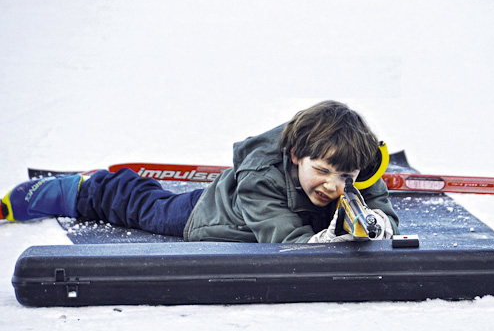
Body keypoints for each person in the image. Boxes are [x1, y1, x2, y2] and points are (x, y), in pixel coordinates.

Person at [1, 101, 399, 243]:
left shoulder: (350, 168)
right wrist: (332, 240)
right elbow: (286, 240)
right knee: (147, 208)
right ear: (296, 154)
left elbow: (379, 204)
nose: (335, 185)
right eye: (323, 170)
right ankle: (83, 190)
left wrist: (374, 221)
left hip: (261, 215)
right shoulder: (262, 177)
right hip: (207, 217)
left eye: (345, 176)